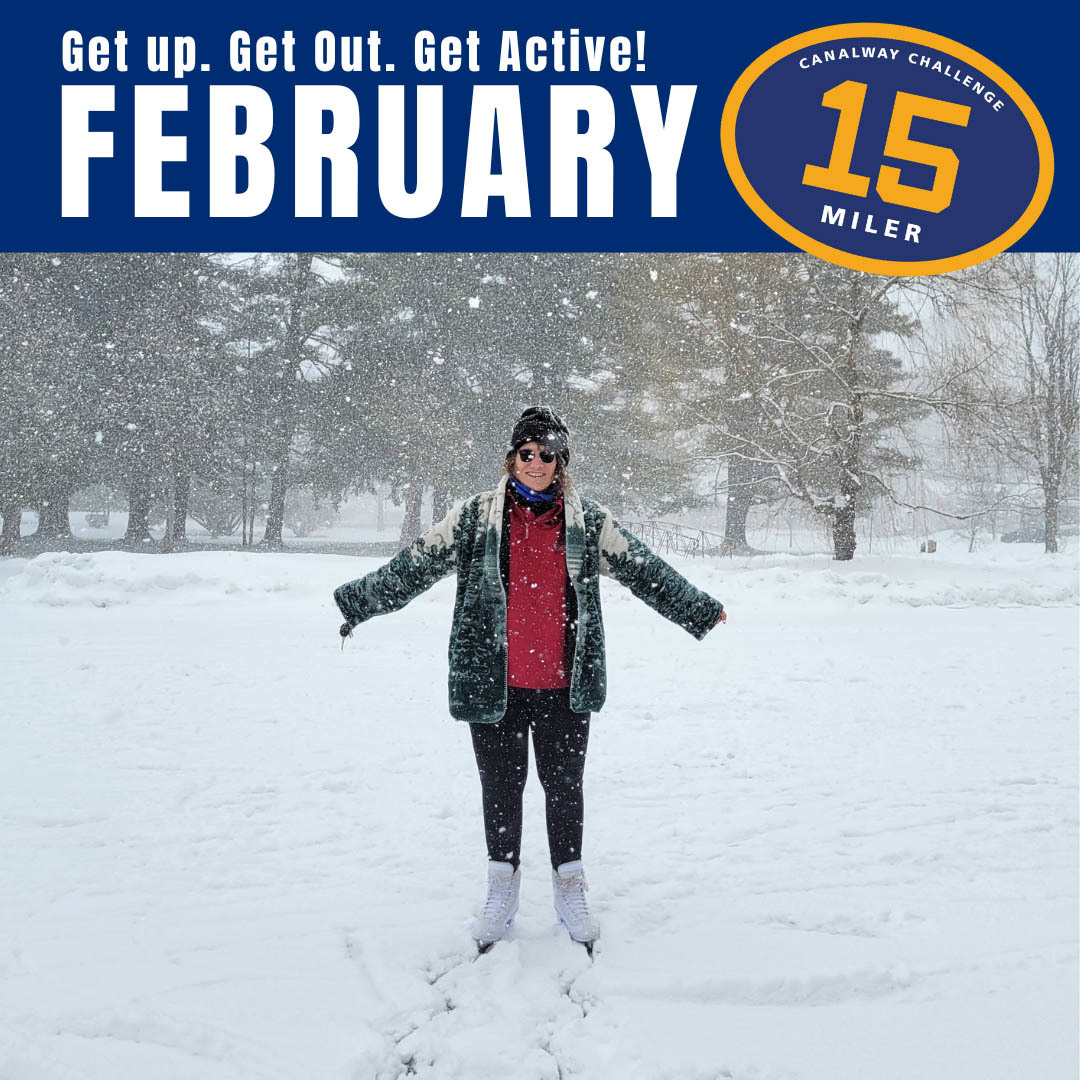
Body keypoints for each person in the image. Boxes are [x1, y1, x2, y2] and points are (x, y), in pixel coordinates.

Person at [334, 407, 725, 952]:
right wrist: (357, 603)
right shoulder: (475, 519)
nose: (536, 463)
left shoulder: (587, 522)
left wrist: (698, 609)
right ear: (512, 457)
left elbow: (644, 568)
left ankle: (570, 885)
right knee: (501, 790)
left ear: (560, 461)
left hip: (566, 687)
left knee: (565, 790)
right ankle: (502, 885)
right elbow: (415, 566)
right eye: (527, 453)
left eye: (547, 454)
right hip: (495, 686)